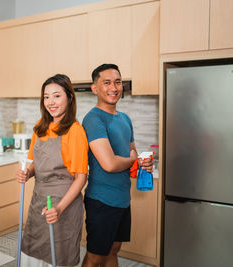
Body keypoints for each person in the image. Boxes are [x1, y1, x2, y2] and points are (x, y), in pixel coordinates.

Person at [81, 64, 153, 267]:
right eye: (107, 82)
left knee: (114, 249)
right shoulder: (93, 119)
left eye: (118, 81)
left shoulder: (125, 119)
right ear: (95, 88)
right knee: (95, 256)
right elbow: (110, 164)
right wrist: (132, 160)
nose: (114, 87)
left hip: (122, 198)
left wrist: (142, 164)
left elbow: (132, 155)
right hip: (101, 201)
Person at [15, 74, 88, 266]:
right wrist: (27, 173)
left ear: (69, 97)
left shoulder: (75, 131)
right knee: (33, 250)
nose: (50, 102)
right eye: (46, 97)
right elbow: (35, 165)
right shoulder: (40, 127)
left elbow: (81, 178)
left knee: (60, 255)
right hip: (39, 201)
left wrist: (59, 208)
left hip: (64, 204)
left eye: (56, 96)